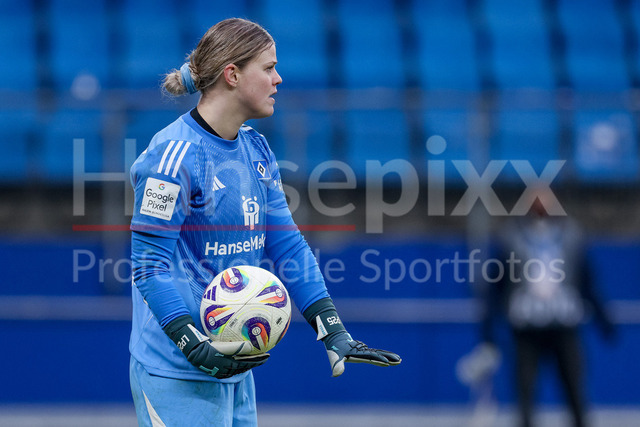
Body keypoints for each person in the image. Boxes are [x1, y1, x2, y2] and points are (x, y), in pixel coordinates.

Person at [128, 18, 401, 427]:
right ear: (232, 75)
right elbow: (149, 267)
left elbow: (288, 245)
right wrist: (193, 345)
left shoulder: (255, 147)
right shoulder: (171, 157)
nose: (278, 79)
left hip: (236, 370)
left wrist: (332, 329)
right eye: (269, 67)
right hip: (176, 372)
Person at [480, 189, 614, 427]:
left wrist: (603, 319)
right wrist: (489, 330)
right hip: (526, 327)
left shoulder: (572, 235)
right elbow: (496, 286)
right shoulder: (511, 237)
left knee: (574, 390)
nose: (540, 207)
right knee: (525, 392)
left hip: (563, 324)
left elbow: (586, 281)